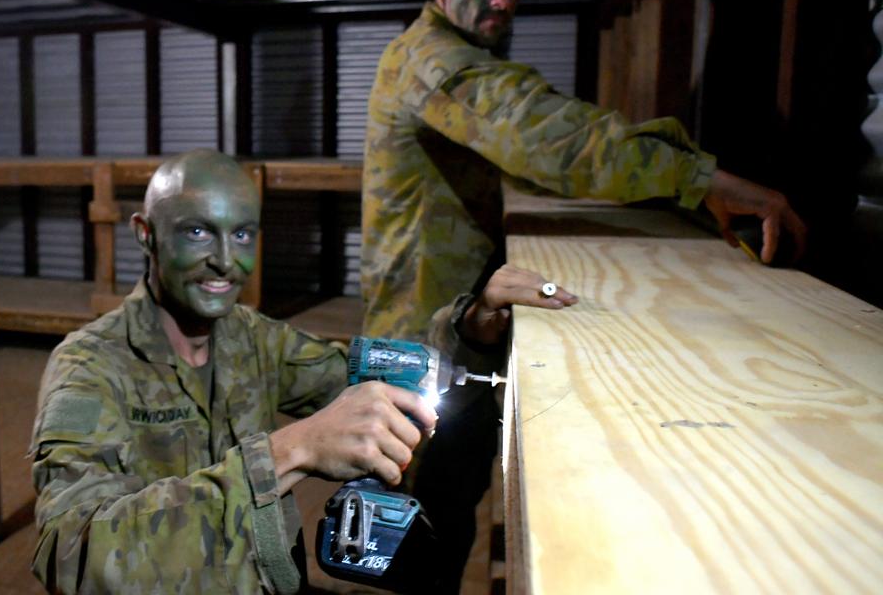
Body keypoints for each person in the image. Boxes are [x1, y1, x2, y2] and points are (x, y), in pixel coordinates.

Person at [360, 0, 810, 582]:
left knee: (446, 509)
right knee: (411, 525)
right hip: (419, 339)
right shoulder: (435, 62)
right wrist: (700, 178)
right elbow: (547, 136)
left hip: (451, 324)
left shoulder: (456, 58)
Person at [29, 149, 573, 594]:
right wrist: (292, 452)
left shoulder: (251, 336)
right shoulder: (90, 366)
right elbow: (68, 552)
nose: (225, 260)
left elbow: (366, 379)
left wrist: (468, 327)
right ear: (146, 234)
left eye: (242, 234)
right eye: (198, 233)